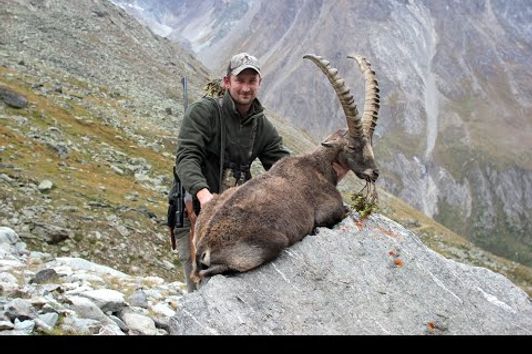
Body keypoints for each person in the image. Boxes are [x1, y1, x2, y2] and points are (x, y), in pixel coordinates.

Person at [173, 52, 290, 291]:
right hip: (195, 212)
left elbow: (284, 167)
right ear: (227, 82)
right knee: (200, 289)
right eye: (240, 80)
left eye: (251, 81)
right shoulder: (203, 112)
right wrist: (204, 196)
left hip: (234, 221)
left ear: (259, 83)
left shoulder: (261, 126)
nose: (246, 88)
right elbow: (186, 157)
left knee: (232, 291)